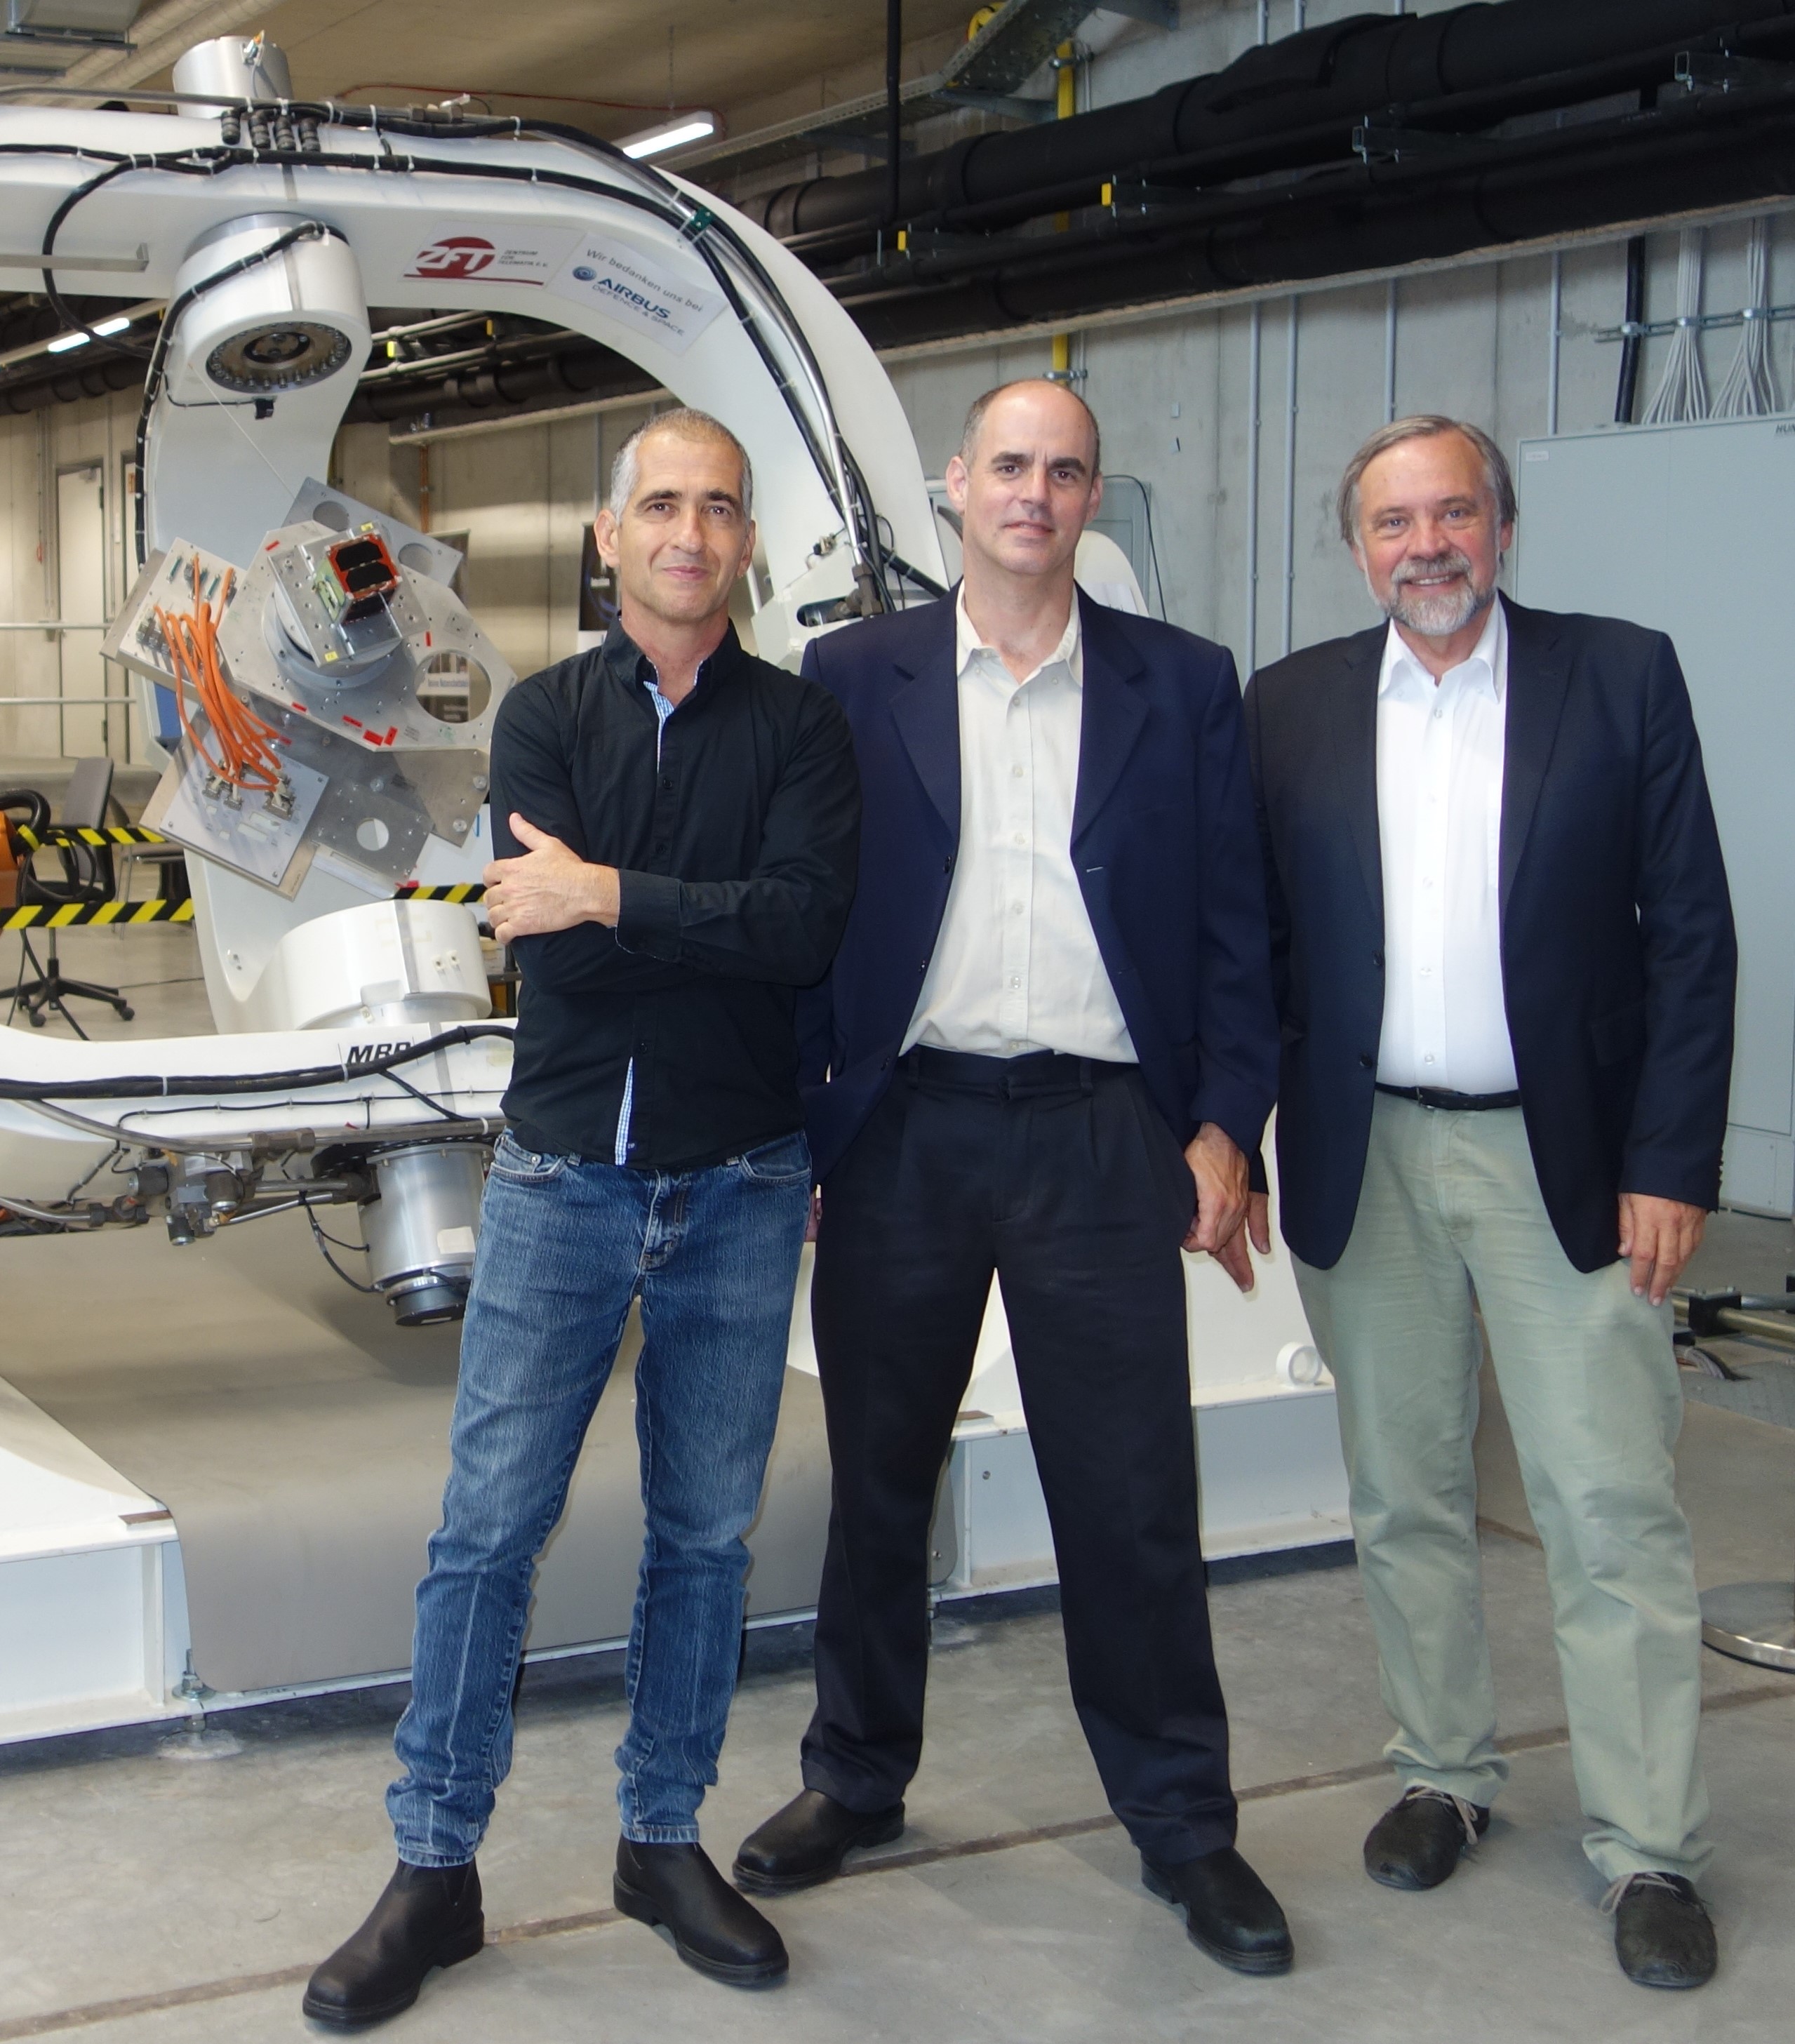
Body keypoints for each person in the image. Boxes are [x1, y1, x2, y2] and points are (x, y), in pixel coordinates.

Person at [302, 410, 862, 2029]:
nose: (690, 532)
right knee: (485, 1530)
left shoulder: (801, 733)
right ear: (607, 537)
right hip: (561, 1178)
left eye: (719, 509)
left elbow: (803, 928)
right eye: (660, 506)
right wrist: (681, 913)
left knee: (702, 1533)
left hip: (744, 1179)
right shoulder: (541, 718)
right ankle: (432, 1867)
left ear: (745, 545)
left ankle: (659, 1836)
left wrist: (612, 888)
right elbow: (557, 953)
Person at [735, 378, 1295, 1977]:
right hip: (903, 1128)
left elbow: (1237, 931)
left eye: (1061, 472)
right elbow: (798, 913)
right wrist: (810, 1122)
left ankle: (1183, 1823)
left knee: (1129, 1500)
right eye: (1006, 467)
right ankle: (852, 1774)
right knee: (878, 1481)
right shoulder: (850, 677)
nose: (1031, 495)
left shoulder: (1181, 683)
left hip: (1107, 1138)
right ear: (951, 488)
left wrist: (1222, 1126)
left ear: (1089, 497)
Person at [1243, 415, 1735, 1990]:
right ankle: (1442, 1767)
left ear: (1501, 528)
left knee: (1606, 1505)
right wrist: (1214, 1131)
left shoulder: (1617, 674)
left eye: (1451, 512)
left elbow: (1689, 937)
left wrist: (1667, 1158)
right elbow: (1245, 945)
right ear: (1357, 546)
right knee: (1400, 1491)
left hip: (1567, 1160)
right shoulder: (1290, 706)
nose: (1425, 544)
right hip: (1364, 1149)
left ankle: (1647, 1843)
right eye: (1392, 521)